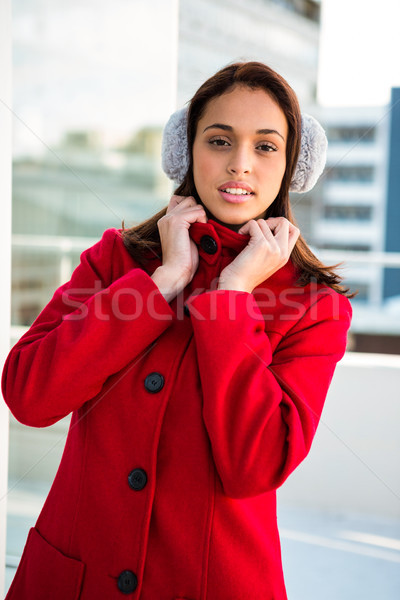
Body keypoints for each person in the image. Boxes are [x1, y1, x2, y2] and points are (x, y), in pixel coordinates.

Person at [2, 61, 352, 600]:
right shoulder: (115, 262)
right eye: (219, 140)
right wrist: (161, 282)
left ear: (291, 167)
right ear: (186, 151)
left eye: (265, 146)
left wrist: (232, 298)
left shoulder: (314, 307)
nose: (240, 165)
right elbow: (29, 394)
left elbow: (254, 466)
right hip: (74, 579)